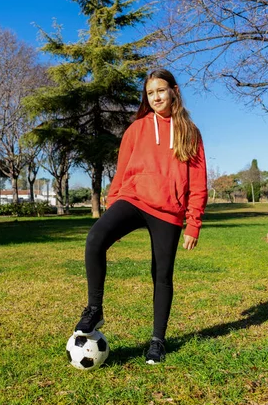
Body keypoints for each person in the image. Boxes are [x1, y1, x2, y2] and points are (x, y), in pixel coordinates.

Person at [73, 69, 208, 364]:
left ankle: (157, 341)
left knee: (161, 274)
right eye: (150, 93)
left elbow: (198, 181)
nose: (156, 97)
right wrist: (113, 211)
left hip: (169, 212)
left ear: (174, 90)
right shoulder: (136, 129)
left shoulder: (190, 132)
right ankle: (94, 310)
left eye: (160, 90)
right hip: (132, 200)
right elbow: (121, 172)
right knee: (96, 238)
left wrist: (193, 222)